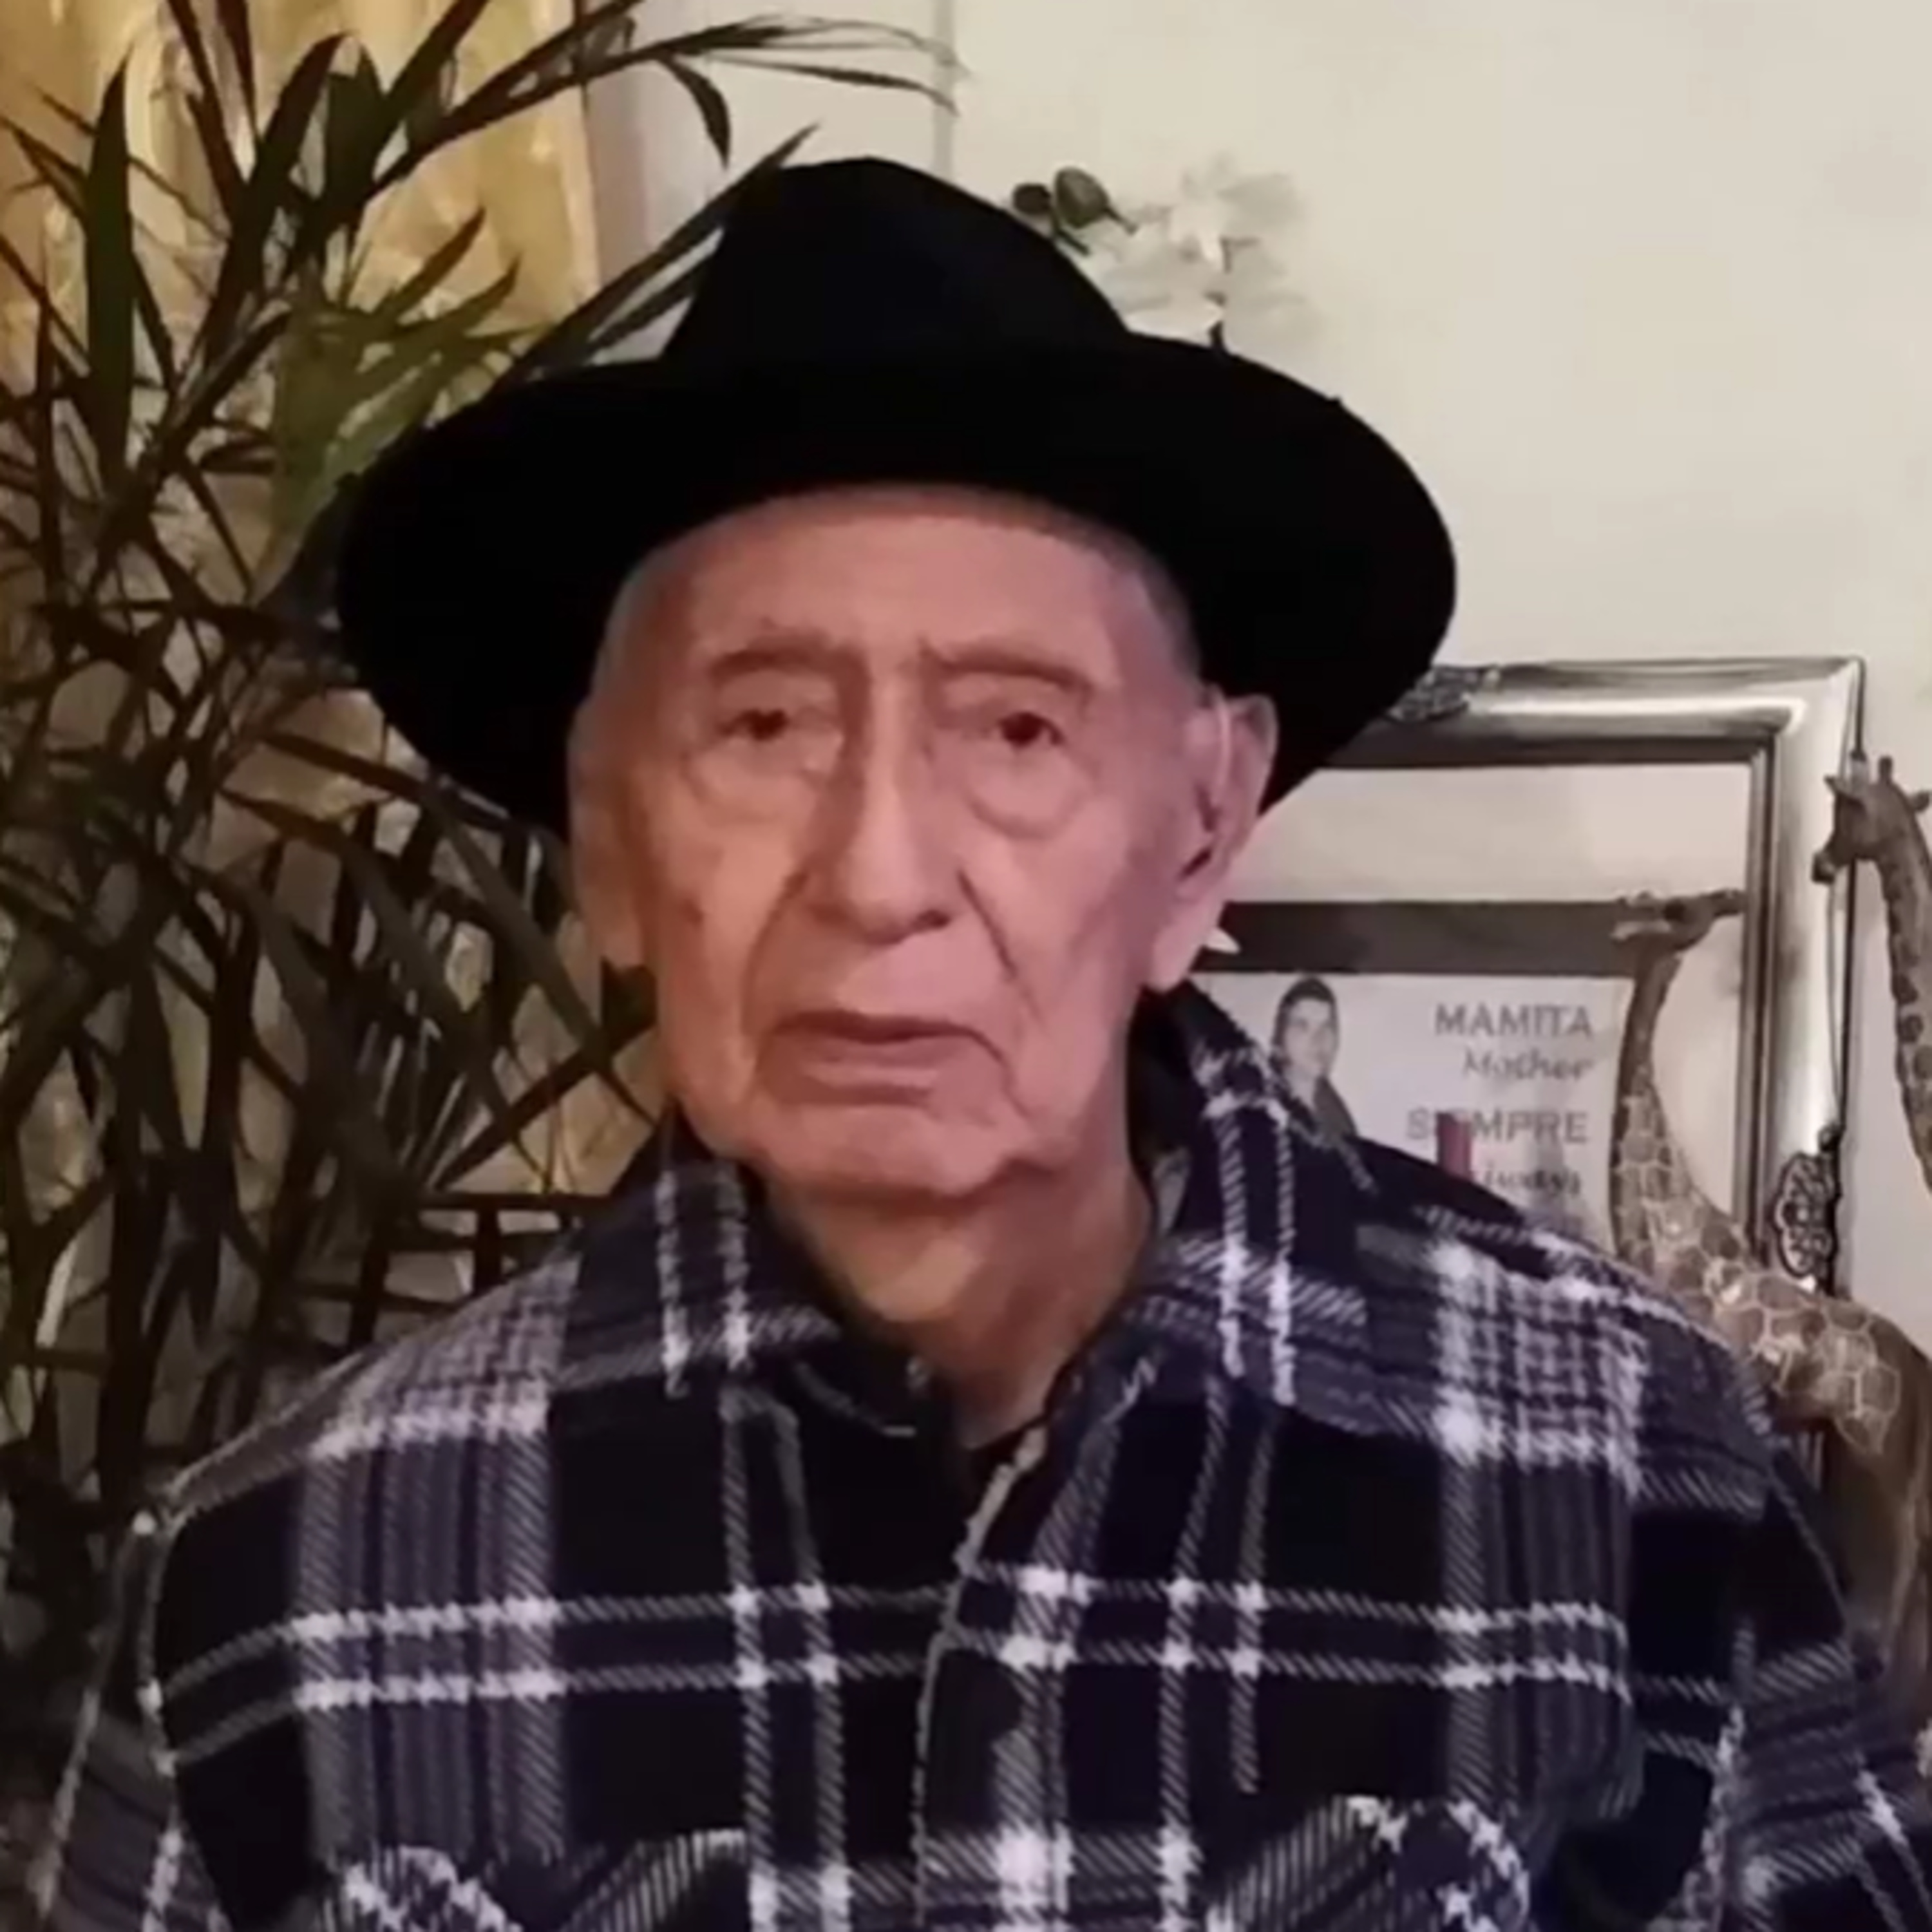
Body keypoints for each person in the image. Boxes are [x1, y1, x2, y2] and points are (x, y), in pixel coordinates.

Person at [33, 159, 1932, 1932]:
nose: (878, 876)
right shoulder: (290, 1584)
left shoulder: (1618, 1480)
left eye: (1017, 729)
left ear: (1199, 830)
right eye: (763, 726)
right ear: (606, 839)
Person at [1269, 974, 1358, 1138]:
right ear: (1280, 1038)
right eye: (1302, 1026)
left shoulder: (1338, 1119)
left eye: (1326, 1027)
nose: (1318, 1039)